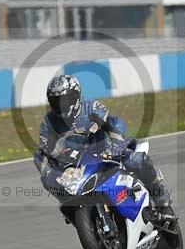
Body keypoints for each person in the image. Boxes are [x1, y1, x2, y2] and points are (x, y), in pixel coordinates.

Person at [33, 74, 174, 222]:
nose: (61, 105)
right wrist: (50, 174)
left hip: (106, 153)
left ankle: (161, 199)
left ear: (75, 96)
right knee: (63, 197)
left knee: (136, 160)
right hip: (77, 168)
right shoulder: (48, 122)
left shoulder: (90, 108)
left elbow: (115, 123)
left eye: (65, 99)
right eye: (56, 101)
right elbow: (42, 152)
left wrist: (116, 146)